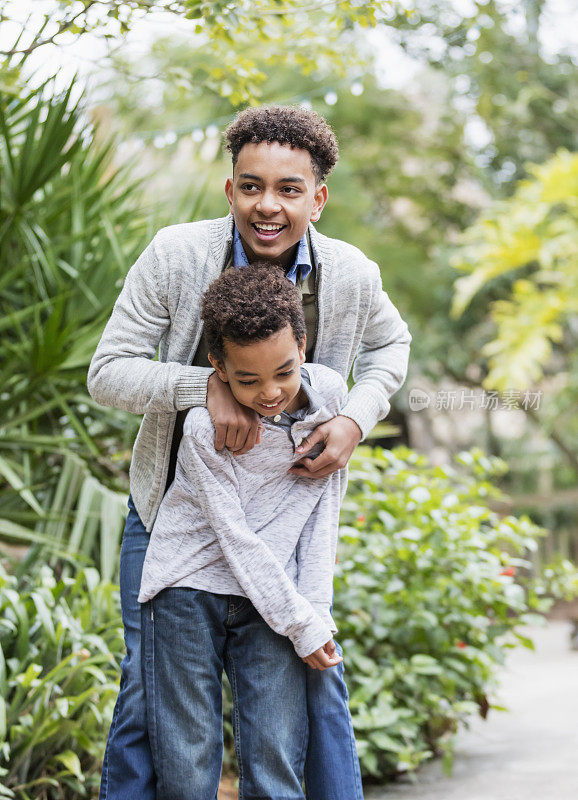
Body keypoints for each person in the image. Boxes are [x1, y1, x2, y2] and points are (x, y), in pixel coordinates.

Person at [88, 104, 411, 800]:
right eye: (251, 185)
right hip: (173, 518)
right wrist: (205, 386)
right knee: (150, 699)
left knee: (315, 686)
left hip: (287, 521)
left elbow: (393, 346)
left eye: (289, 189)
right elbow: (107, 371)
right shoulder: (177, 256)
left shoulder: (349, 274)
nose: (268, 205)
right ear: (229, 188)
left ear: (317, 198)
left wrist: (356, 417)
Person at [139, 263, 350, 799]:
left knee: (276, 756)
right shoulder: (204, 429)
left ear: (302, 345)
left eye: (283, 371)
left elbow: (322, 513)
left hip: (272, 597)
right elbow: (234, 536)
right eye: (247, 380)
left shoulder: (328, 402)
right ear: (218, 367)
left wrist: (313, 614)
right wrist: (300, 622)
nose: (271, 392)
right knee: (187, 763)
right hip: (188, 588)